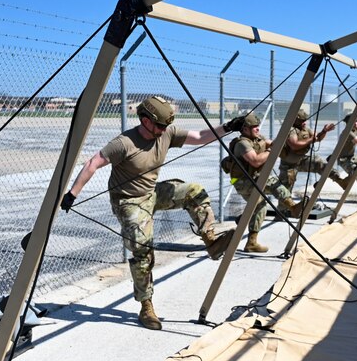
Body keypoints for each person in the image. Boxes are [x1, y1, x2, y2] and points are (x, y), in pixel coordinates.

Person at [62, 96, 242, 331]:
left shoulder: (165, 133)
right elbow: (93, 163)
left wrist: (229, 127)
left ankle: (211, 241)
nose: (163, 130)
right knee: (142, 249)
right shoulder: (124, 142)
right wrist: (72, 194)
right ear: (144, 120)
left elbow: (200, 137)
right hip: (128, 201)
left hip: (153, 193)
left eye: (166, 126)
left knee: (194, 191)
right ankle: (146, 306)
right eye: (159, 126)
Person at [227, 112, 304, 254]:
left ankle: (251, 242)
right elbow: (256, 161)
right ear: (245, 129)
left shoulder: (257, 138)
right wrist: (271, 150)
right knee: (269, 184)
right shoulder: (242, 144)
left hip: (253, 179)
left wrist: (281, 140)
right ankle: (292, 207)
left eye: (257, 126)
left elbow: (270, 143)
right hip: (241, 181)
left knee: (261, 205)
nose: (257, 129)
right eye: (254, 127)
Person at [278, 108, 340, 193]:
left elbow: (317, 138)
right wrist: (310, 140)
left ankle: (340, 180)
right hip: (289, 166)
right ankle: (287, 206)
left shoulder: (305, 129)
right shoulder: (290, 129)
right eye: (301, 121)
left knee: (318, 162)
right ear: (295, 120)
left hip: (301, 160)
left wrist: (324, 131)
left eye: (304, 120)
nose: (304, 123)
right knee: (286, 192)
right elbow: (294, 145)